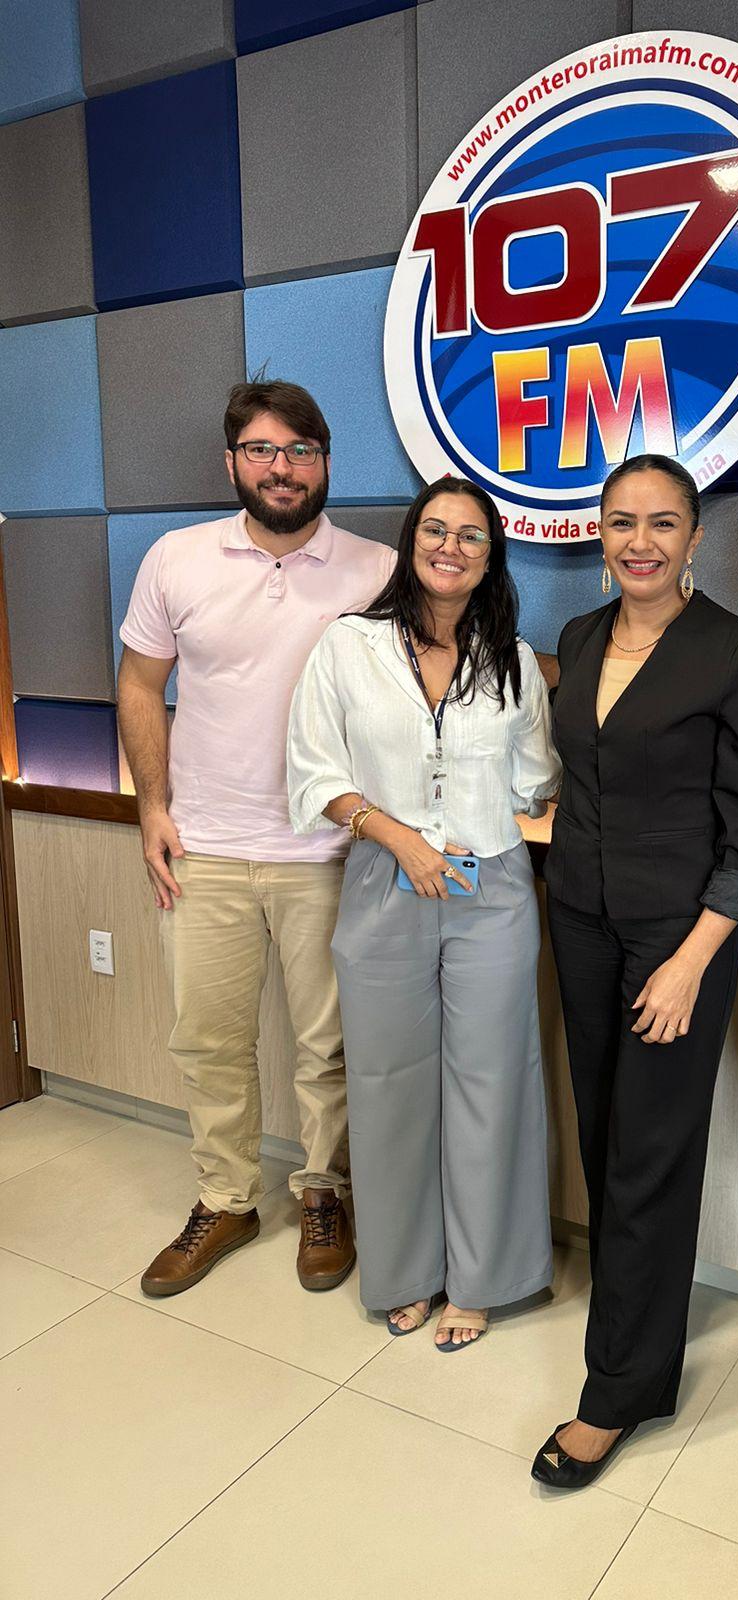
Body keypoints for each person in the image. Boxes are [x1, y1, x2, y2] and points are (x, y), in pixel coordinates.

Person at [531, 454, 738, 1487]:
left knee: (650, 1154)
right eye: (623, 520)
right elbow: (577, 785)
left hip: (679, 939)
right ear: (600, 530)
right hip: (580, 923)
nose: (641, 540)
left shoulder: (734, 651)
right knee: (602, 1133)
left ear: (695, 537)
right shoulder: (582, 639)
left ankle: (616, 1393)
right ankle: (641, 1325)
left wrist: (689, 962)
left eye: (664, 523)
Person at [120, 379, 394, 1297]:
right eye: (263, 451)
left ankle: (324, 1192)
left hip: (328, 854)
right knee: (208, 1039)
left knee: (330, 1047)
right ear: (231, 462)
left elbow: (432, 683)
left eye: (301, 451)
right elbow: (138, 683)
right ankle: (227, 1198)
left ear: (325, 463)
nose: (282, 469)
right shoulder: (175, 558)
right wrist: (153, 807)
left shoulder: (375, 570)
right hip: (204, 851)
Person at [286, 478, 560, 1348]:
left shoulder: (513, 659)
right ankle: (406, 1271)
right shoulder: (348, 648)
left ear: (491, 555)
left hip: (493, 892)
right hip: (382, 884)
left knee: (492, 1084)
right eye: (435, 530)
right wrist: (399, 835)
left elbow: (537, 777)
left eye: (472, 536)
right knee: (388, 1083)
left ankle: (482, 1280)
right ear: (412, 543)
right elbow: (315, 773)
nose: (451, 547)